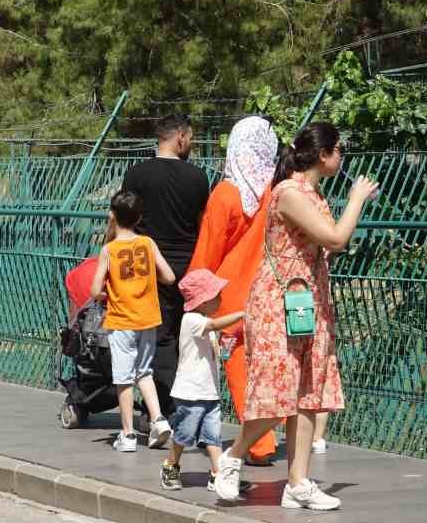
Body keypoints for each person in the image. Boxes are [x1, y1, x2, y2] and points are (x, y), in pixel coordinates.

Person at [213, 123, 377, 510]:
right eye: (338, 150)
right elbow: (336, 237)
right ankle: (233, 457)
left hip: (309, 298)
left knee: (307, 392)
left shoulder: (311, 193)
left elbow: (322, 246)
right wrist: (356, 200)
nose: (341, 157)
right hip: (279, 301)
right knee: (279, 390)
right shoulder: (289, 192)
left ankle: (297, 482)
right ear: (322, 155)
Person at [190, 116, 283, 465]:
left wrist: (196, 296)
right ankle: (282, 433)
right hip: (270, 291)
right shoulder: (276, 191)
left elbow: (208, 251)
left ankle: (258, 444)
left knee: (239, 370)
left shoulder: (227, 193)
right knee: (272, 367)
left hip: (229, 298)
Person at [121, 119, 210, 417]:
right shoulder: (198, 178)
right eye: (191, 138)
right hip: (188, 266)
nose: (192, 144)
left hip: (149, 267)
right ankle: (189, 404)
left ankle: (161, 409)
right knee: (187, 338)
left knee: (158, 338)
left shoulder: (136, 175)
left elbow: (124, 222)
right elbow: (202, 225)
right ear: (180, 138)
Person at [89, 189, 176, 452]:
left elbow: (94, 290)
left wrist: (106, 293)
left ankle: (127, 434)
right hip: (148, 317)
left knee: (124, 377)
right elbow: (170, 277)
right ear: (139, 218)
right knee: (144, 371)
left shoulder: (109, 249)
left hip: (121, 319)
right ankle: (158, 419)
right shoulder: (148, 244)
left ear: (113, 215)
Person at [159, 269, 245, 491]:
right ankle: (171, 464)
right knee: (184, 433)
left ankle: (217, 473)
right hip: (190, 392)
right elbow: (213, 326)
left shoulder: (205, 321)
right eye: (216, 295)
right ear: (203, 300)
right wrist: (241, 314)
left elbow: (213, 347)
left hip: (208, 391)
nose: (220, 298)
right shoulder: (192, 319)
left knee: (213, 435)